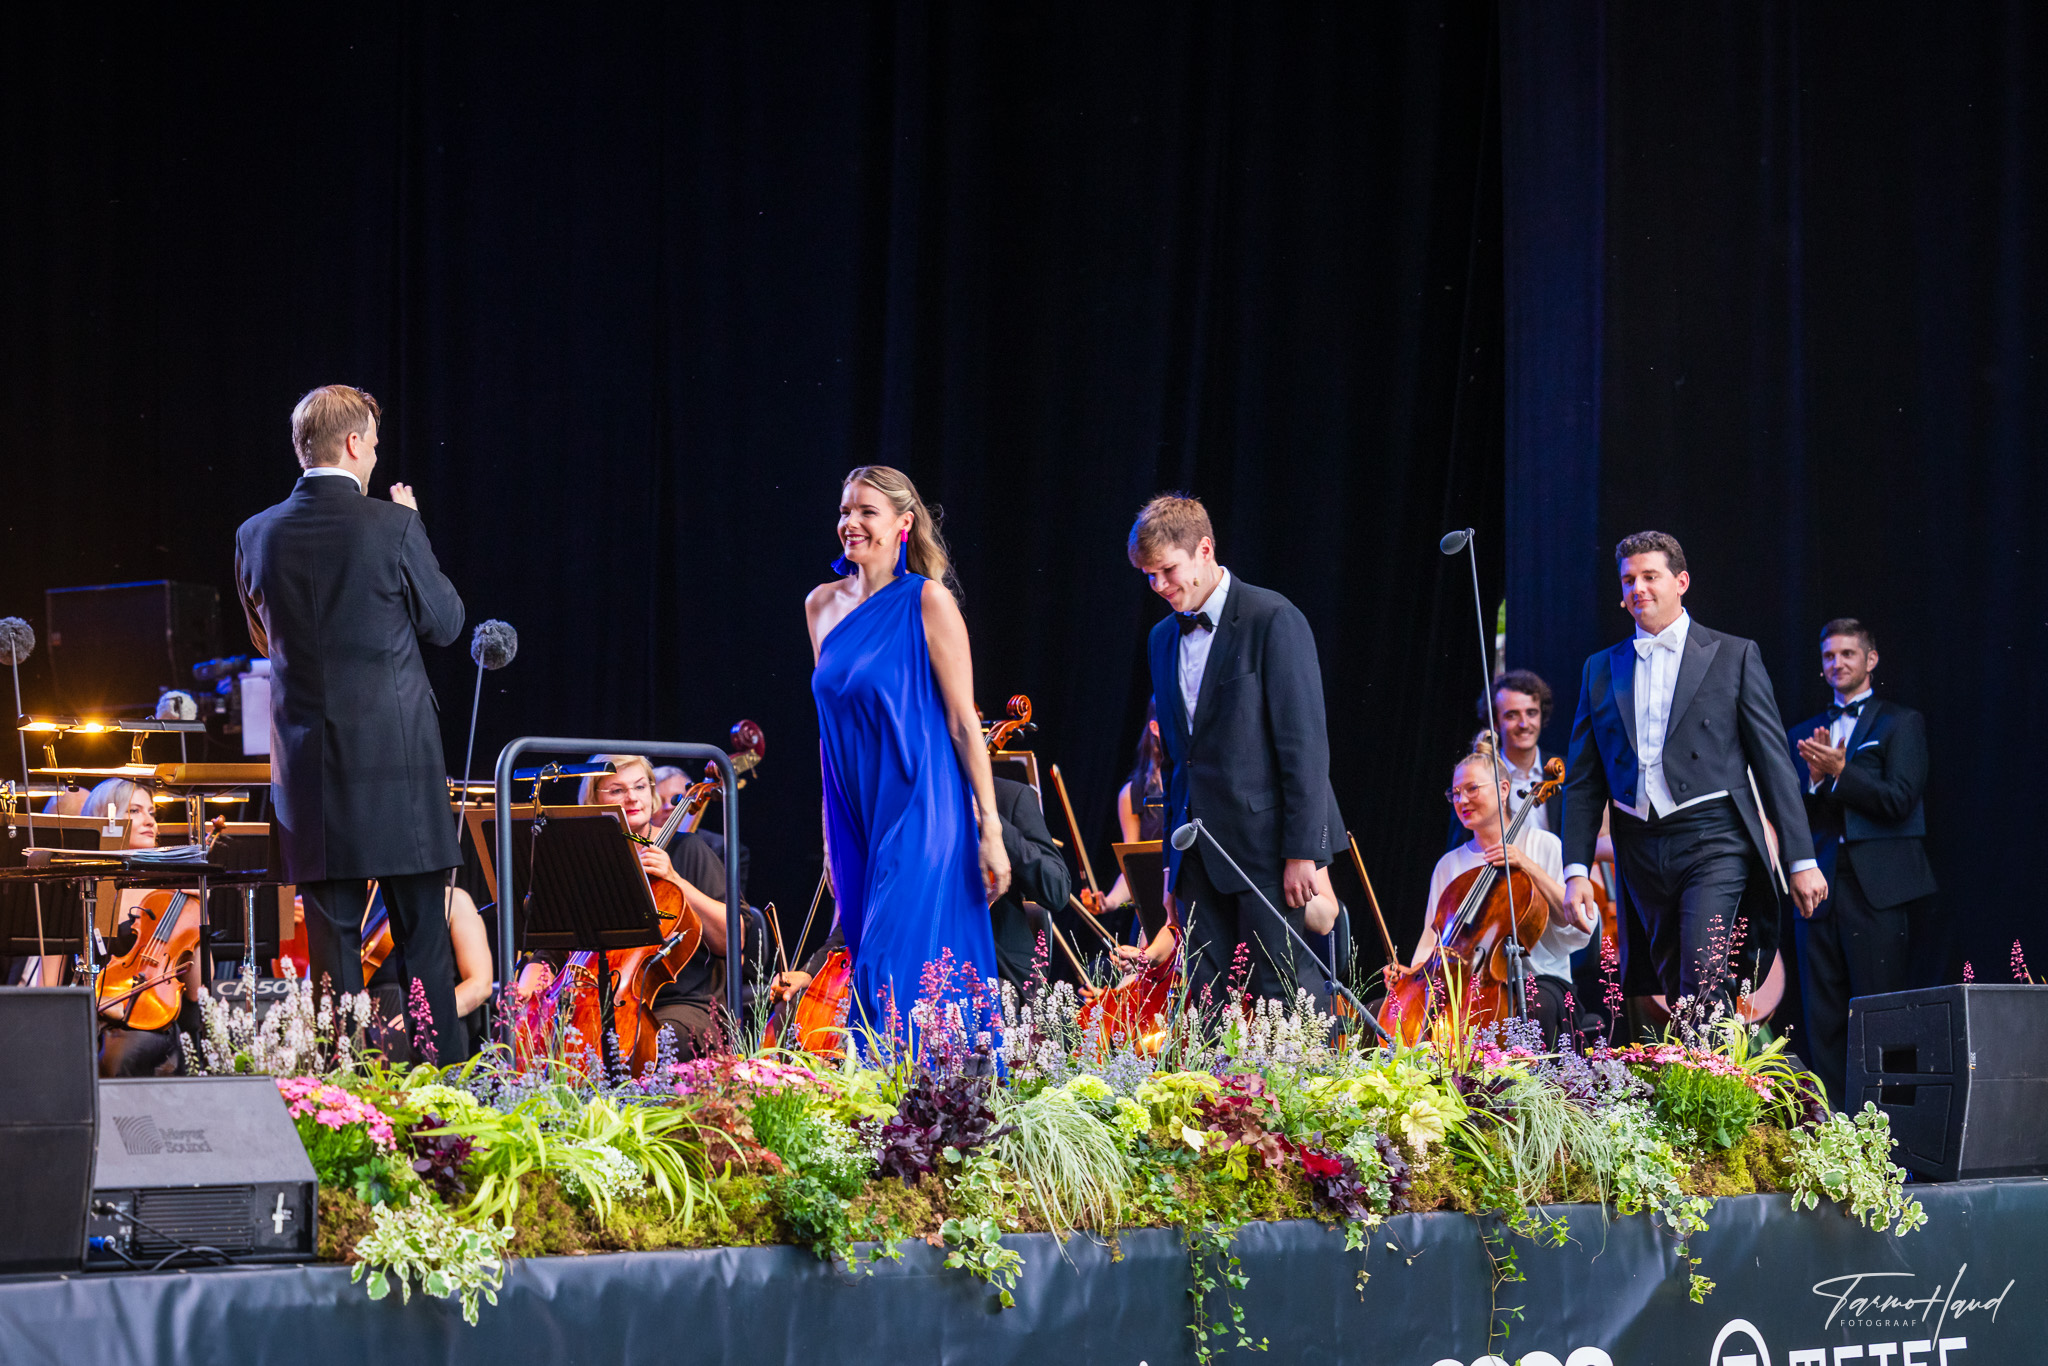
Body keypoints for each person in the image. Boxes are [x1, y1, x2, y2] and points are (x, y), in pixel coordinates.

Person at [235, 384, 467, 1059]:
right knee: (424, 945)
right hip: (398, 768)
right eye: (374, 444)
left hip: (309, 772)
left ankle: (343, 1096)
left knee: (332, 956)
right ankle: (445, 1098)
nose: (375, 456)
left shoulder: (255, 533)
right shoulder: (393, 526)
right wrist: (414, 526)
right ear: (355, 442)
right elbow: (446, 624)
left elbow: (262, 638)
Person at [1562, 531, 1826, 1010]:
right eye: (1628, 580)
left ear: (1681, 582)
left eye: (1650, 576)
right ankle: (1703, 1062)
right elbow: (1583, 780)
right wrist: (1576, 870)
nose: (1638, 588)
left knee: (1703, 973)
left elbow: (1774, 764)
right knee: (1674, 984)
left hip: (1713, 836)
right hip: (1640, 844)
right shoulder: (1599, 669)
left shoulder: (1733, 654)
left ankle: (1709, 1060)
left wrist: (1801, 860)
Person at [807, 466, 1009, 1051]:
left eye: (867, 511)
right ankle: (936, 1093)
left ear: (903, 523)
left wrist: (990, 831)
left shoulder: (928, 601)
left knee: (890, 968)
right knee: (875, 957)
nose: (851, 522)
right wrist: (829, 835)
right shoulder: (820, 605)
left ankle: (888, 1096)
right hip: (854, 814)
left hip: (922, 803)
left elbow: (963, 722)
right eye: (845, 510)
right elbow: (828, 730)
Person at [1129, 493, 1335, 1006]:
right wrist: (1171, 872)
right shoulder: (1161, 638)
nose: (1160, 586)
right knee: (1203, 1004)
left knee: (1277, 997)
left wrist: (1303, 852)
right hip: (1195, 853)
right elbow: (1175, 762)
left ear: (1205, 549)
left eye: (1168, 571)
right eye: (1150, 576)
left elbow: (1305, 747)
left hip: (1266, 850)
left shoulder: (1272, 617)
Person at [1786, 619, 1935, 1107]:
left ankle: (1890, 1126)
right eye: (1829, 656)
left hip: (1879, 887)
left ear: (1871, 660)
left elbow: (1899, 800)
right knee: (1823, 1014)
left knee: (1882, 1011)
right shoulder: (1803, 734)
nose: (1838, 663)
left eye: (1848, 653)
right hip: (1819, 884)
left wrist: (1842, 772)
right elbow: (1788, 817)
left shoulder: (1900, 722)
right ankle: (1833, 1125)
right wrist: (1814, 780)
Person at [1395, 745, 1592, 1046]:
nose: (1462, 800)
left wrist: (1527, 865)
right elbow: (1432, 938)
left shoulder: (1544, 845)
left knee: (1532, 1009)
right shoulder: (1449, 865)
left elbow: (1579, 925)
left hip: (1539, 980)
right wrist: (1412, 975)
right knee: (1394, 1015)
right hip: (1467, 985)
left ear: (1503, 789)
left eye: (1472, 788)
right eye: (1455, 793)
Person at [581, 754, 736, 1058]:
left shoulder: (689, 849)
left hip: (683, 1004)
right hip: (601, 999)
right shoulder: (590, 862)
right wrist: (531, 980)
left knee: (648, 1046)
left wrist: (675, 879)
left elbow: (733, 939)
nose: (631, 797)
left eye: (640, 787)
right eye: (617, 790)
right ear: (593, 800)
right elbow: (556, 942)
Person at [84, 779, 204, 1076]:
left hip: (152, 1019)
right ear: (105, 819)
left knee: (120, 1055)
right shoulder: (83, 886)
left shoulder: (171, 892)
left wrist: (199, 918)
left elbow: (196, 992)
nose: (150, 821)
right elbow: (50, 980)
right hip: (91, 1009)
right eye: (134, 811)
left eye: (151, 812)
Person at [363, 881, 497, 1062]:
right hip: (371, 1016)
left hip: (426, 1018)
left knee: (392, 1051)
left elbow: (480, 983)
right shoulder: (368, 903)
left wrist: (427, 1015)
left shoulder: (453, 898)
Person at [986, 774, 1074, 995]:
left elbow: (1057, 891)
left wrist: (997, 826)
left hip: (1000, 970)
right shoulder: (915, 796)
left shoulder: (1010, 796)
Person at [1097, 703, 1166, 914]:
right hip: (1157, 907)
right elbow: (1132, 868)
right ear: (1155, 728)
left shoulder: (1199, 782)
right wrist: (1110, 902)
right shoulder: (1132, 793)